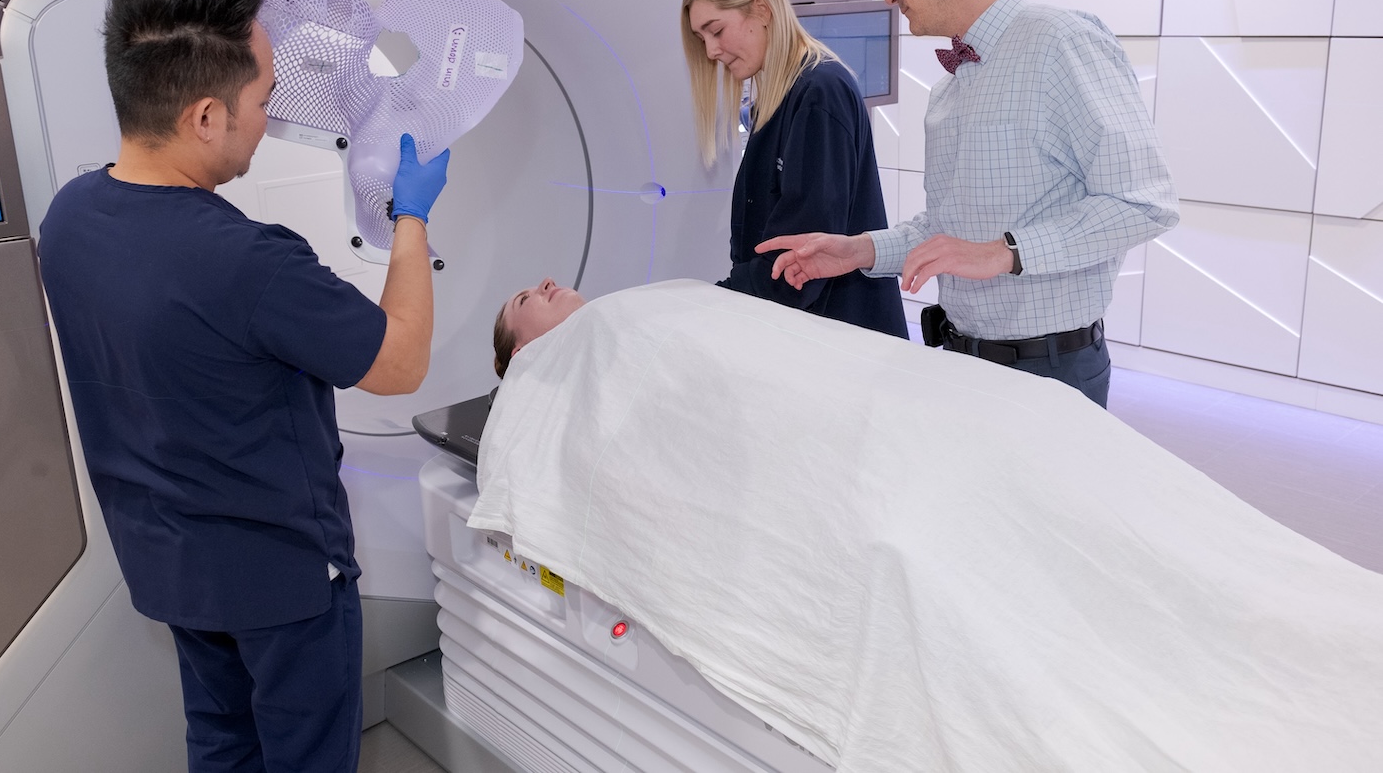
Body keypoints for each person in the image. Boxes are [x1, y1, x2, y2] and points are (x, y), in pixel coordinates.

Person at [472, 279, 1383, 772]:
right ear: (527, 353)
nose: (542, 286)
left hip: (943, 401)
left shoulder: (653, 297)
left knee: (1043, 469)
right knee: (929, 524)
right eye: (523, 303)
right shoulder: (581, 358)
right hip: (847, 444)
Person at [37, 0, 449, 773]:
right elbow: (400, 362)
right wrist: (411, 218)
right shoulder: (250, 262)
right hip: (283, 579)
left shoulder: (70, 216)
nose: (270, 119)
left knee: (223, 742)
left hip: (171, 562)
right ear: (204, 117)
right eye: (263, 99)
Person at [757, 0, 1179, 408]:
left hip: (1050, 373)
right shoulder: (948, 91)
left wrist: (1005, 253)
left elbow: (1143, 202)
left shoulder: (1062, 41)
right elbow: (946, 233)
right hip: (959, 360)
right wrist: (858, 250)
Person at [681, 0, 908, 339]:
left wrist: (710, 304)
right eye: (702, 38)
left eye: (716, 31)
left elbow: (799, 264)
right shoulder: (775, 99)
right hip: (798, 327)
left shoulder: (820, 93)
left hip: (840, 333)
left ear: (762, 9)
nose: (711, 51)